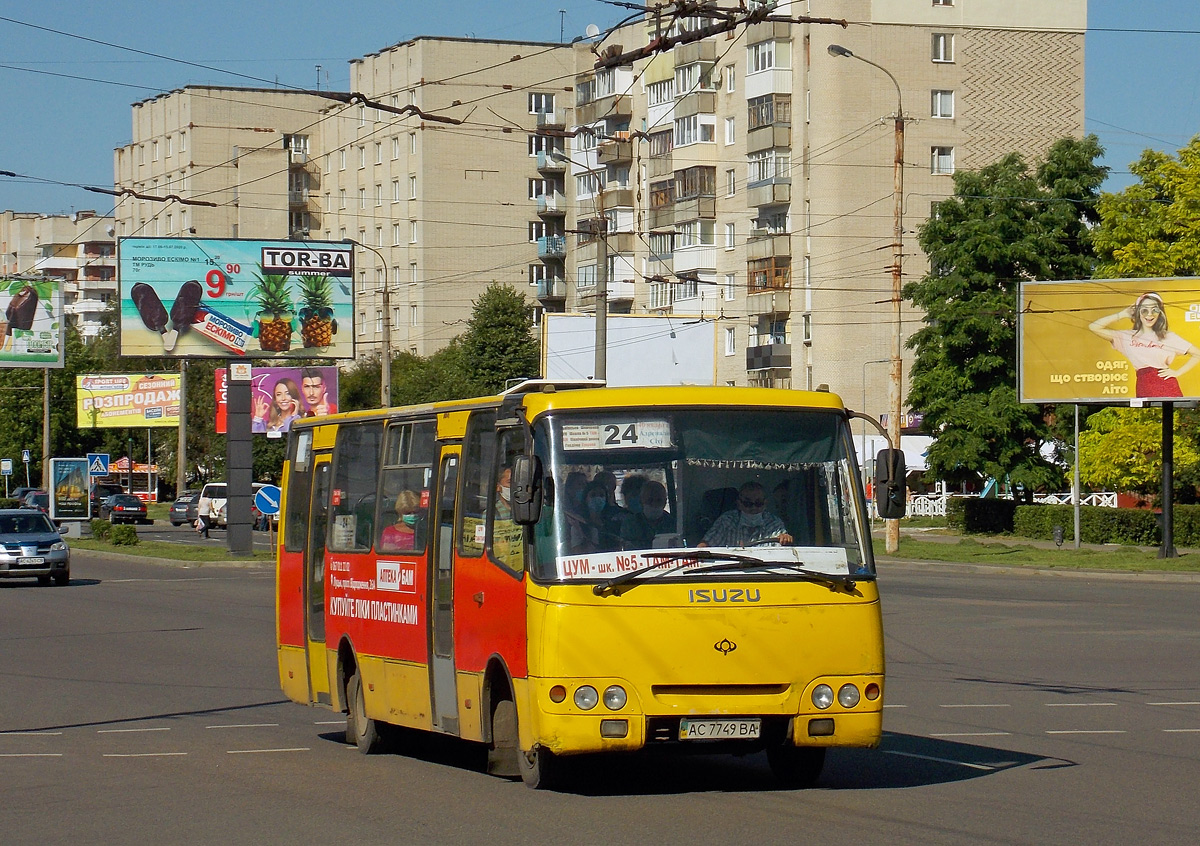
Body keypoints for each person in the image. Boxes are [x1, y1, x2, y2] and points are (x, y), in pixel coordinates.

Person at [1089, 292, 1200, 398]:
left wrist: (1177, 372)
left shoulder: (1168, 337)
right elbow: (1094, 327)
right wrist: (1122, 314)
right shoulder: (1126, 336)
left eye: (1154, 310)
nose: (1149, 315)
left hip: (1167, 386)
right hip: (1144, 385)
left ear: (1160, 313)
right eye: (1144, 310)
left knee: (1171, 415)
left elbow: (1197, 354)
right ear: (1138, 312)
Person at [699, 480, 792, 548]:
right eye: (748, 503)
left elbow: (783, 550)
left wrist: (785, 539)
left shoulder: (775, 523)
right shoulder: (726, 521)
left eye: (758, 503)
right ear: (739, 503)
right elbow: (704, 545)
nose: (753, 508)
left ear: (765, 504)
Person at [620, 480, 674, 549]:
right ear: (641, 501)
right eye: (650, 500)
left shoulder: (673, 524)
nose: (654, 504)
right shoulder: (630, 524)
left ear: (665, 502)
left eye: (659, 500)